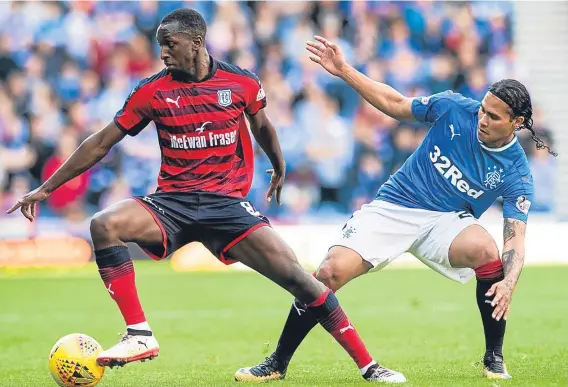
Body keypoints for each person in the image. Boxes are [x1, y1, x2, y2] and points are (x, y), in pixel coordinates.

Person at [6, 11, 404, 383]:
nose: (162, 52)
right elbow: (101, 143)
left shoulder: (241, 83)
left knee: (306, 283)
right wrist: (46, 187)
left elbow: (262, 126)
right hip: (172, 204)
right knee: (104, 224)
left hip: (227, 206)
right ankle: (139, 334)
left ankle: (370, 367)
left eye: (170, 44)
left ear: (196, 42)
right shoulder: (151, 92)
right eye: (160, 45)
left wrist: (278, 165)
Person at [235, 35, 557, 382]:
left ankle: (494, 356)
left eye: (493, 117)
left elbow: (515, 239)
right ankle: (278, 362)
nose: (482, 119)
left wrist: (509, 282)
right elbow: (395, 102)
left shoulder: (516, 172)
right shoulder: (453, 107)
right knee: (328, 273)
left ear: (518, 123)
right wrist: (344, 70)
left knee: (487, 250)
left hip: (445, 222)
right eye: (482, 109)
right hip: (396, 205)